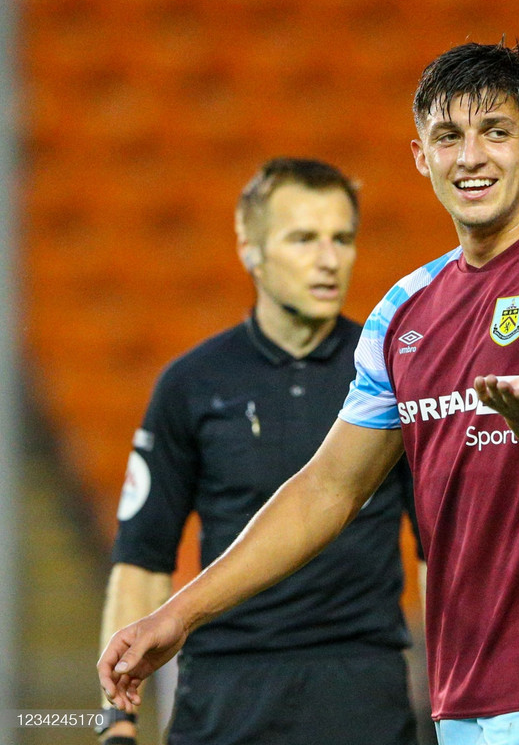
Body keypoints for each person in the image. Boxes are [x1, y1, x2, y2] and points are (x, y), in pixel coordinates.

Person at [99, 43, 519, 745]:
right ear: (421, 157)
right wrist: (176, 617)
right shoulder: (405, 309)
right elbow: (326, 491)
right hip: (460, 698)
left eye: (496, 131)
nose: (471, 157)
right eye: (448, 138)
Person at [96, 157, 421, 745]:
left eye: (342, 239)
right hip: (226, 688)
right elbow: (143, 559)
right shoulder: (191, 385)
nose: (329, 259)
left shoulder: (396, 376)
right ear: (249, 247)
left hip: (359, 690)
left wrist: (457, 698)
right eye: (303, 239)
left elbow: (440, 553)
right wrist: (117, 720)